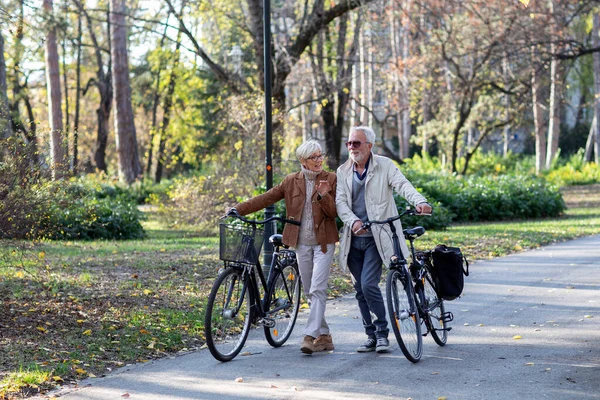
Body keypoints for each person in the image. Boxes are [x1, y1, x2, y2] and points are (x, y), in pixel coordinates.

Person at [228, 140, 339, 354]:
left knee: (317, 289)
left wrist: (324, 195)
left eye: (320, 156)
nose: (319, 161)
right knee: (309, 290)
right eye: (313, 157)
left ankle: (310, 336)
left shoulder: (330, 179)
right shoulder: (291, 181)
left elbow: (334, 213)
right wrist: (238, 209)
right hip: (300, 243)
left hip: (323, 243)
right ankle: (325, 336)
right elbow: (266, 198)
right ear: (303, 160)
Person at [335, 126, 432, 353]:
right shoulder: (343, 171)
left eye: (356, 143)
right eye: (349, 143)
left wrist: (419, 201)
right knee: (359, 289)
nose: (351, 147)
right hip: (353, 237)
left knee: (369, 284)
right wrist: (353, 222)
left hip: (378, 237)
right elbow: (340, 203)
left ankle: (382, 333)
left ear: (370, 146)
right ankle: (370, 335)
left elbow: (402, 185)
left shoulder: (385, 165)